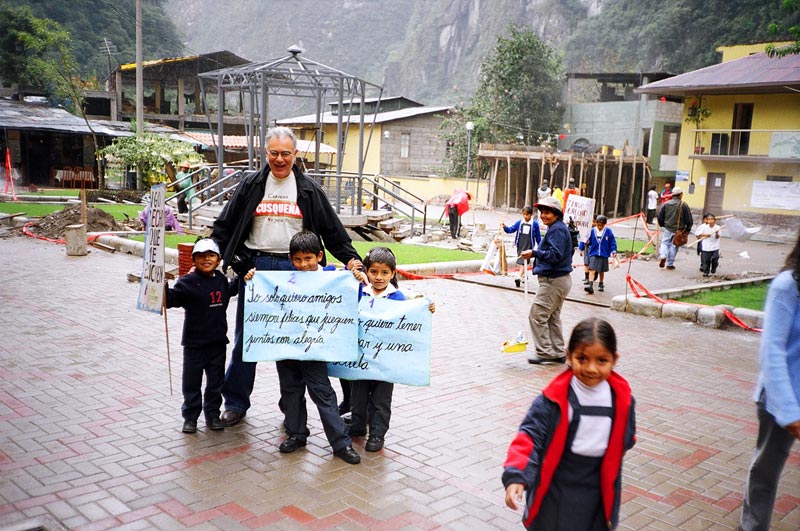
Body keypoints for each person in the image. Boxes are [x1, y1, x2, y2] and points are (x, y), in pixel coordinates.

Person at [210, 126, 361, 428]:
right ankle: (236, 402)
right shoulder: (252, 185)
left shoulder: (307, 189)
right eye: (274, 153)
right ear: (265, 153)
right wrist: (219, 258)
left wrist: (352, 259)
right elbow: (225, 228)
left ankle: (291, 408)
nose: (280, 159)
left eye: (286, 154)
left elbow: (332, 231)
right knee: (247, 338)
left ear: (295, 155)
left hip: (298, 271)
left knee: (296, 342)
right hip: (258, 271)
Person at [502, 318, 636, 530]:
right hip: (555, 490)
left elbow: (627, 437)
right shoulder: (552, 400)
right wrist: (517, 476)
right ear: (569, 356)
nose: (591, 368)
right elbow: (529, 437)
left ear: (614, 359)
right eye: (582, 358)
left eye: (602, 360)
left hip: (598, 493)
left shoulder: (622, 400)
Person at [274, 231, 361, 464]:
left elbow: (353, 293)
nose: (303, 265)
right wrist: (251, 277)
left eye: (309, 259)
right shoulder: (280, 280)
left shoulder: (333, 276)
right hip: (287, 347)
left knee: (323, 393)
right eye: (298, 259)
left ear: (319, 256)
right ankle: (297, 433)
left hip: (315, 350)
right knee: (290, 391)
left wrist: (355, 277)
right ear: (290, 259)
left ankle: (341, 443)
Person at [739, 229, 800, 531]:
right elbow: (772, 352)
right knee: (766, 470)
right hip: (779, 400)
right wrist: (790, 413)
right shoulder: (787, 287)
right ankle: (751, 527)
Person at [349, 247, 435, 452]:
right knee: (357, 395)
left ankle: (377, 434)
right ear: (367, 272)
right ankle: (358, 425)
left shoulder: (397, 298)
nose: (379, 277)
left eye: (385, 273)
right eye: (374, 272)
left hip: (386, 361)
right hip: (361, 357)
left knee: (381, 399)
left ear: (393, 273)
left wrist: (427, 307)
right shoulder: (360, 291)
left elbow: (412, 313)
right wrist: (351, 271)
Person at [165, 238, 251, 434]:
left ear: (219, 259)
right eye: (201, 256)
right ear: (194, 260)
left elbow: (232, 289)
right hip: (194, 345)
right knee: (191, 384)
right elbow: (171, 300)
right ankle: (190, 418)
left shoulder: (221, 280)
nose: (206, 259)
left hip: (217, 344)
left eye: (211, 255)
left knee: (215, 384)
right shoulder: (186, 282)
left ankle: (212, 415)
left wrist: (244, 275)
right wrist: (160, 286)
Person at [520, 196, 574, 365]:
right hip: (560, 280)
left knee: (537, 315)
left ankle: (545, 352)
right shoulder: (556, 228)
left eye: (548, 212)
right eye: (542, 212)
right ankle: (557, 352)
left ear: (557, 214)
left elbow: (555, 255)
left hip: (554, 281)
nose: (543, 215)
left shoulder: (557, 230)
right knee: (552, 318)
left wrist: (534, 253)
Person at [502, 206, 542, 288]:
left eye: (527, 215)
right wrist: (504, 227)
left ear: (531, 215)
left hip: (529, 245)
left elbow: (538, 237)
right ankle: (524, 276)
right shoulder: (519, 223)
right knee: (522, 261)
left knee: (524, 260)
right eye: (523, 214)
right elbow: (511, 230)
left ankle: (519, 277)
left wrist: (540, 246)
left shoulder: (535, 224)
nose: (525, 216)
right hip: (520, 244)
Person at [656, 186, 692, 271]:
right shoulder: (684, 205)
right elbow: (689, 219)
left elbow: (660, 217)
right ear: (680, 195)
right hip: (679, 230)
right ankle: (670, 264)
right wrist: (687, 230)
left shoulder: (666, 204)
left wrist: (663, 225)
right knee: (674, 246)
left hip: (668, 228)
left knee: (664, 243)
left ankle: (663, 256)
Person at [579, 215, 617, 294]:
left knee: (601, 270)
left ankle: (601, 283)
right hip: (594, 252)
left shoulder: (608, 231)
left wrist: (613, 250)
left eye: (601, 225)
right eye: (598, 225)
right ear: (596, 223)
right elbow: (587, 239)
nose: (600, 227)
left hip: (603, 253)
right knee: (591, 269)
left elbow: (612, 241)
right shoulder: (592, 231)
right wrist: (584, 245)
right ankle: (590, 286)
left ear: (604, 224)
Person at [694, 213, 721, 278]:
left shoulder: (718, 227)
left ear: (714, 220)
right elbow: (698, 235)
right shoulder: (704, 227)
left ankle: (714, 268)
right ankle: (706, 272)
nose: (710, 221)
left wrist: (716, 233)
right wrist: (705, 235)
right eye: (709, 219)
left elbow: (717, 237)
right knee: (706, 260)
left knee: (715, 258)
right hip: (706, 246)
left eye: (712, 219)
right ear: (706, 220)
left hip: (715, 246)